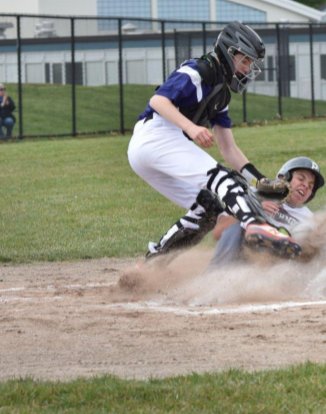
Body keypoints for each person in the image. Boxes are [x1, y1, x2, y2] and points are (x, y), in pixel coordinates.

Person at [128, 20, 301, 261]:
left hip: (151, 150)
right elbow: (158, 101)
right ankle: (256, 225)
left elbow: (228, 148)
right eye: (245, 60)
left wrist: (258, 179)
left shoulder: (221, 95)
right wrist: (190, 127)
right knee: (224, 179)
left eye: (251, 63)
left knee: (208, 211)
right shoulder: (200, 70)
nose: (248, 68)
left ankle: (151, 267)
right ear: (228, 52)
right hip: (155, 136)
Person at [207, 157, 325, 270]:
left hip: (274, 270)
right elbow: (219, 231)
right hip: (240, 257)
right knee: (237, 227)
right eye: (301, 179)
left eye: (310, 186)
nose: (306, 185)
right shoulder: (255, 195)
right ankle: (215, 275)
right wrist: (255, 209)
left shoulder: (309, 219)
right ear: (284, 177)